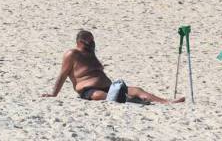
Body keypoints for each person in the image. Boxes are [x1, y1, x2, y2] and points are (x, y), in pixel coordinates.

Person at [43, 30, 184, 104]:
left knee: (136, 89)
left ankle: (165, 101)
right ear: (80, 42)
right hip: (88, 90)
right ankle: (131, 101)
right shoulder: (72, 54)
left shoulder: (91, 53)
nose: (92, 44)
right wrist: (54, 94)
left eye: (93, 41)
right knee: (100, 96)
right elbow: (62, 75)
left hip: (108, 86)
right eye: (89, 41)